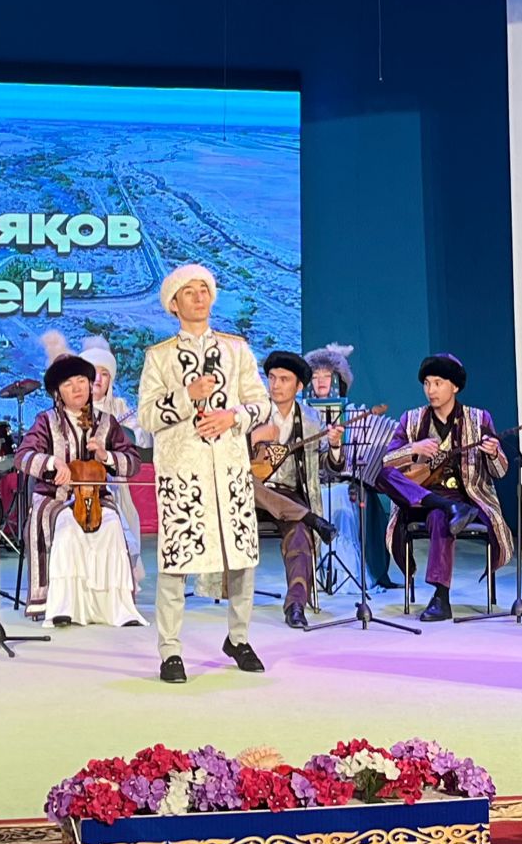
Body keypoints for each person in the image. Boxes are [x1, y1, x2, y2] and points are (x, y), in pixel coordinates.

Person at [138, 264, 271, 684]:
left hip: (229, 470)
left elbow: (262, 404)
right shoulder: (159, 356)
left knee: (242, 558)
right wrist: (186, 396)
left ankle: (239, 638)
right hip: (183, 473)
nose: (199, 297)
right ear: (174, 304)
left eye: (204, 290)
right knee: (175, 562)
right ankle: (170, 650)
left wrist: (232, 417)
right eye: (189, 292)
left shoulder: (236, 350)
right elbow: (146, 416)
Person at [375, 354, 514, 622]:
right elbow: (388, 460)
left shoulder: (478, 419)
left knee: (440, 517)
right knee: (384, 475)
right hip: (419, 498)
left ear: (455, 386)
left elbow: (499, 472)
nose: (431, 390)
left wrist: (493, 453)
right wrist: (413, 448)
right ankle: (446, 506)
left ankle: (441, 597)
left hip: (465, 498)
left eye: (438, 383)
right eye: (427, 383)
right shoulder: (412, 419)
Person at [18, 339, 145, 628]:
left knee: (111, 525)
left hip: (97, 497)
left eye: (81, 381)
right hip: (55, 497)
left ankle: (114, 607)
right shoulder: (46, 421)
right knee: (66, 527)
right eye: (68, 384)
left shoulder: (106, 422)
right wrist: (53, 463)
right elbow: (23, 456)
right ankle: (62, 605)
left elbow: (133, 462)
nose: (77, 388)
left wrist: (106, 456)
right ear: (58, 393)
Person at [248, 350, 337, 628]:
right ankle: (311, 518)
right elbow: (226, 456)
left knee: (299, 535)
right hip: (250, 493)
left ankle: (296, 605)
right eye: (272, 378)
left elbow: (327, 467)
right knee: (247, 483)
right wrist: (253, 437)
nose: (275, 385)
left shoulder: (310, 420)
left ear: (299, 387)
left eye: (284, 379)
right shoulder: (252, 414)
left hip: (288, 495)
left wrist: (335, 445)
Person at [304, 342, 397, 592]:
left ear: (338, 380)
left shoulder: (353, 416)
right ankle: (317, 572)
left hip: (344, 485)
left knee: (344, 496)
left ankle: (348, 572)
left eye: (326, 376)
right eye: (315, 376)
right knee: (323, 496)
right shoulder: (301, 414)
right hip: (312, 484)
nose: (320, 381)